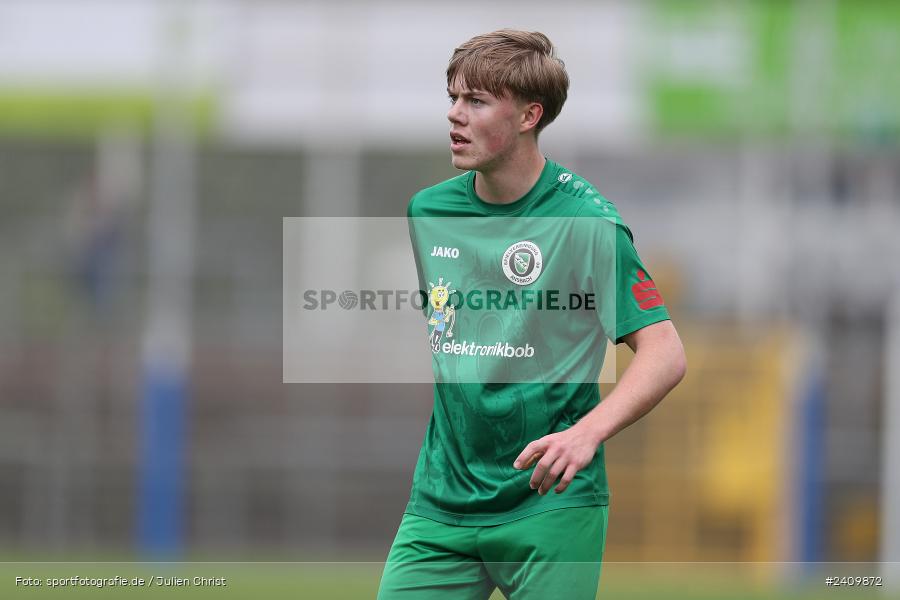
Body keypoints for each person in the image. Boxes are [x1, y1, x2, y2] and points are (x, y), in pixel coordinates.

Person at [378, 29, 686, 599]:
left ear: (529, 115)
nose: (455, 115)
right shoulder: (429, 211)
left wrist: (585, 434)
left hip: (551, 501)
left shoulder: (587, 223)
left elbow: (665, 352)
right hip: (442, 504)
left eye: (476, 101)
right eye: (453, 98)